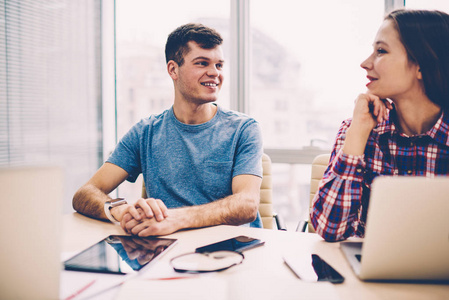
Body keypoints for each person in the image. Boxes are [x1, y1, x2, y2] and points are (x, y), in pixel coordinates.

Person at [73, 23, 263, 237]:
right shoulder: (145, 132)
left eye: (219, 65)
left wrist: (176, 219)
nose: (214, 73)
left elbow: (247, 205)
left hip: (231, 251)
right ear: (173, 69)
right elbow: (85, 193)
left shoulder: (244, 129)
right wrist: (122, 211)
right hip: (165, 247)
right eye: (202, 63)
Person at [310, 9, 449, 242]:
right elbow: (329, 229)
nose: (365, 63)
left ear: (422, 66)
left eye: (381, 51)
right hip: (369, 276)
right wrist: (358, 132)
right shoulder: (358, 130)